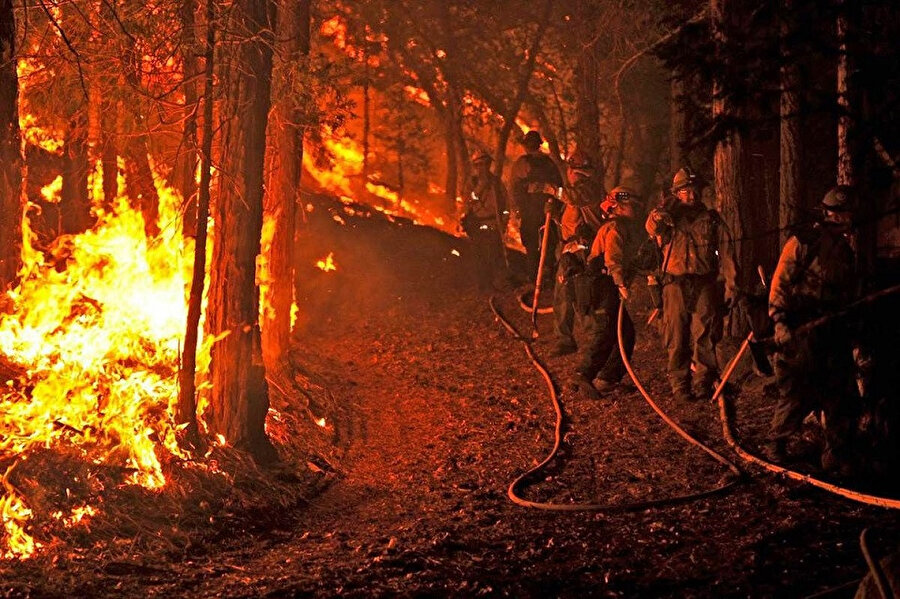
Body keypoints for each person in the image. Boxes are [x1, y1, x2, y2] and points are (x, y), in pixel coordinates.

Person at [763, 186, 861, 472]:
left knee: (840, 392)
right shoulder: (803, 242)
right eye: (838, 213)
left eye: (847, 213)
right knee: (798, 390)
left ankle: (836, 455)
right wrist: (779, 321)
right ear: (828, 212)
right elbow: (780, 283)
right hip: (802, 329)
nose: (843, 218)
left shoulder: (845, 249)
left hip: (833, 328)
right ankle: (776, 444)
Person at [645, 167, 739, 402]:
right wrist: (658, 216)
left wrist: (732, 285)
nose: (692, 195)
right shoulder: (667, 219)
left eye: (695, 190)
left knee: (705, 334)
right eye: (686, 191)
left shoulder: (712, 219)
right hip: (674, 284)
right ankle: (680, 384)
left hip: (704, 283)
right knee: (676, 336)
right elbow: (651, 228)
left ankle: (703, 383)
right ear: (676, 193)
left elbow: (727, 254)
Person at [567, 186, 643, 399]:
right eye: (632, 205)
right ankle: (582, 374)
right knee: (606, 331)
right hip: (601, 286)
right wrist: (621, 284)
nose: (636, 209)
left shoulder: (623, 227)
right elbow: (613, 259)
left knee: (625, 333)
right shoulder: (615, 228)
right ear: (618, 207)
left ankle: (607, 379)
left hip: (605, 285)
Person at [550, 150, 606, 357]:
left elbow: (573, 198)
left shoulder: (588, 189)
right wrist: (555, 215)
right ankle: (564, 340)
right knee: (563, 296)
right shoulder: (576, 192)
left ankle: (596, 341)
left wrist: (548, 189)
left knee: (585, 296)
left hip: (584, 252)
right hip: (569, 251)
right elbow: (571, 220)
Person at [510, 130, 564, 286]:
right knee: (549, 243)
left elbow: (514, 188)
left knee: (532, 244)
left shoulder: (522, 163)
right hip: (547, 210)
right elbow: (560, 188)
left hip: (532, 210)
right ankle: (548, 276)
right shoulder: (550, 163)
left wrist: (518, 208)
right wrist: (556, 206)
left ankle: (536, 277)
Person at [460, 149, 509, 291]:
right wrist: (480, 186)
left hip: (494, 224)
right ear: (476, 166)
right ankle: (483, 284)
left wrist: (504, 221)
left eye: (486, 164)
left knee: (494, 254)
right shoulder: (472, 183)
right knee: (479, 256)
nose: (484, 167)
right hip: (477, 224)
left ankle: (495, 283)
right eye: (480, 164)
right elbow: (468, 202)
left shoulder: (496, 182)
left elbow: (505, 204)